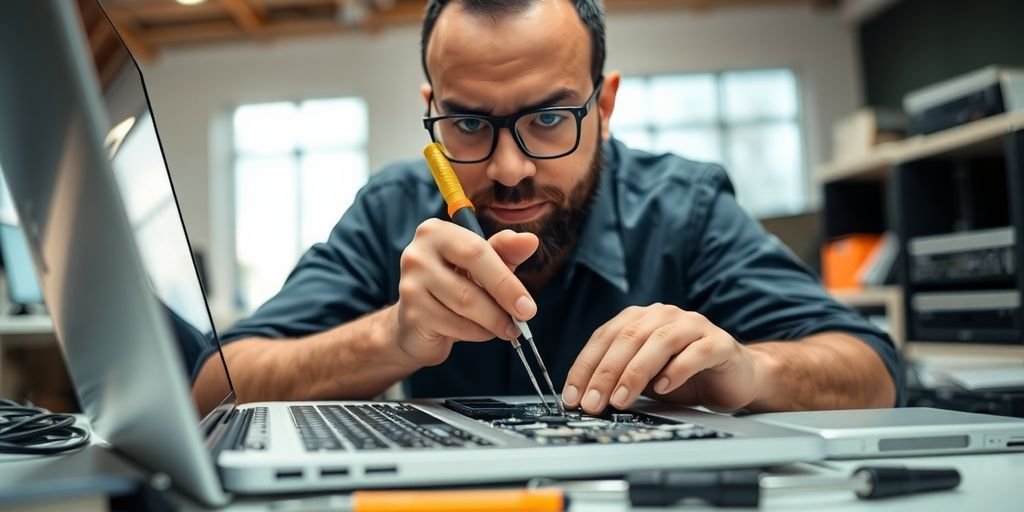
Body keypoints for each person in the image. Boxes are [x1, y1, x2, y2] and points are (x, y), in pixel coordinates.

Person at [194, 0, 902, 416]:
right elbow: (211, 386)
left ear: (607, 105)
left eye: (550, 118)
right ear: (431, 111)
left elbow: (869, 369)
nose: (509, 169)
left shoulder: (683, 207)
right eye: (468, 124)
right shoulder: (392, 209)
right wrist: (392, 339)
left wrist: (748, 371)